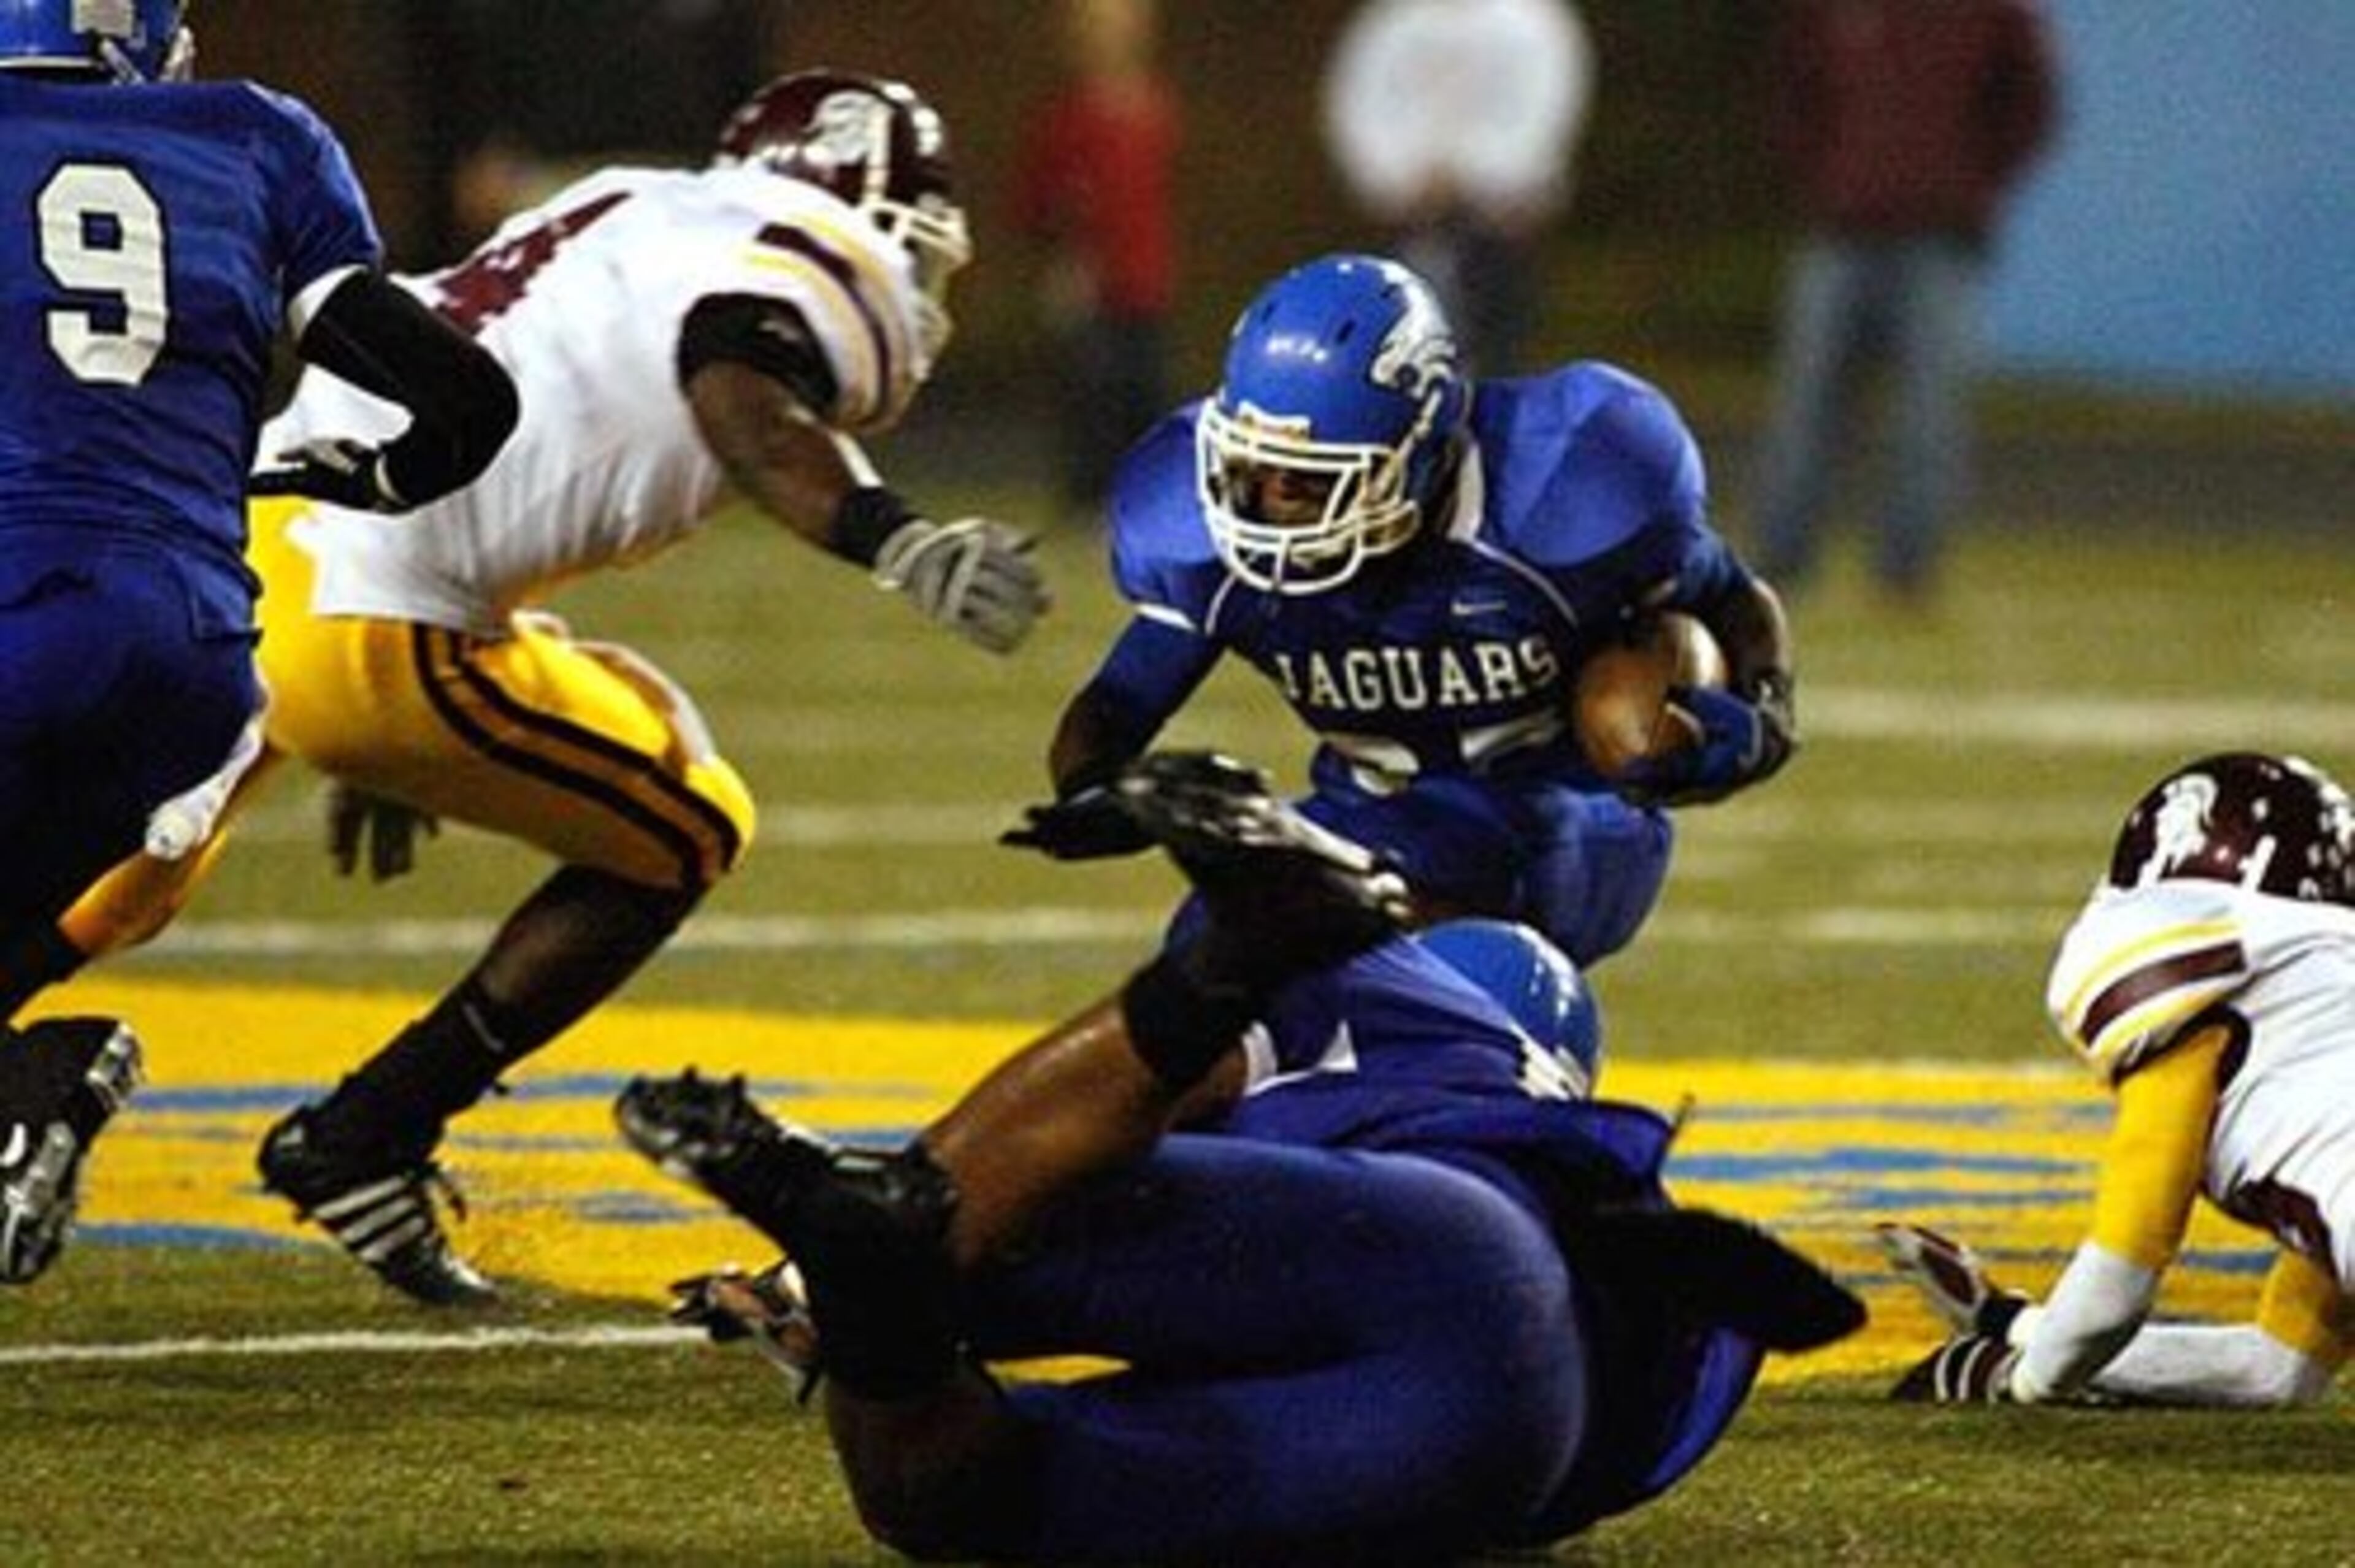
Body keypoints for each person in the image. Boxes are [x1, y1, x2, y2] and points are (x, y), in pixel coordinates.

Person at [2, 70, 1047, 1305]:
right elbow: (738, 381)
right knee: (690, 822)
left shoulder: (632, 204)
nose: (917, 284)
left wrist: (394, 729)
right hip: (383, 609)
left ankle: (31, 1089)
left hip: (260, 552)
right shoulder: (807, 255)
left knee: (100, 894)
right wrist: (894, 537)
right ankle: (367, 1133)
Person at [618, 751, 1863, 1563]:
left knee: (959, 1244)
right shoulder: (1551, 1129)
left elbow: (1187, 1086)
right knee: (960, 1498)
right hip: (1501, 1450)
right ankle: (871, 1271)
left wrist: (816, 1275)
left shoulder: (1409, 995)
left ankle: (879, 1240)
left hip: (1439, 1248)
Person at [0, 1, 519, 1285]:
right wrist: (381, 482)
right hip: (194, 662)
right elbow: (469, 398)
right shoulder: (256, 138)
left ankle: (38, 1076)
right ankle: (30, 1092)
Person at [1007, 253, 1796, 973]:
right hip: (1371, 812)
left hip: (1567, 819)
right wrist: (1103, 792)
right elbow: (1118, 702)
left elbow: (1729, 592)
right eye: (1255, 473)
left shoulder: (1559, 489)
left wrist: (1762, 713)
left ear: (1422, 448)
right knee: (1199, 973)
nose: (1273, 508)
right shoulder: (1208, 543)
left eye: (1311, 482)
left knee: (1401, 955)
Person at [1882, 752, 2355, 1407]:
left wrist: (2016, 1378)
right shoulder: (2318, 1048)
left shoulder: (2210, 982)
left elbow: (2119, 1281)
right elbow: (2274, 1369)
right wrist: (2012, 1323)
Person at [1747, 0, 2059, 604]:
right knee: (1805, 402)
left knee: (1928, 412)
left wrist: (1973, 185)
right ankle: (1781, 560)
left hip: (1938, 237)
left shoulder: (1993, 12)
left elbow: (2032, 102)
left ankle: (1906, 570)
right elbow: (1792, 90)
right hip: (1840, 230)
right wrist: (1825, 178)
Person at [1322, 0, 1595, 377]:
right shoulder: (1396, 20)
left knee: (1494, 332)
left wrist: (1482, 176)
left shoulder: (1531, 20)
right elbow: (1361, 101)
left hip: (1498, 217)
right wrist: (1397, 176)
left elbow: (1544, 104)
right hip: (1412, 214)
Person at [1011, 0, 1181, 528]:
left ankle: (1149, 504)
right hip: (1093, 285)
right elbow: (1036, 203)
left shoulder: (1155, 108)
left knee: (1144, 392)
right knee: (1092, 397)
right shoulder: (1068, 118)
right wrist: (1064, 266)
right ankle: (1088, 504)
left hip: (1146, 281)